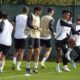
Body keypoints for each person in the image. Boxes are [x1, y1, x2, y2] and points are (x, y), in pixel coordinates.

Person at [25, 6, 42, 74]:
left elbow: (37, 26)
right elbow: (29, 25)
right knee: (31, 52)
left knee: (37, 52)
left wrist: (39, 29)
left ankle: (35, 68)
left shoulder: (38, 17)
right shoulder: (31, 15)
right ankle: (27, 67)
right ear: (36, 10)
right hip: (31, 36)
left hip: (37, 36)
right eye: (40, 11)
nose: (41, 12)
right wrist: (38, 28)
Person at [12, 6, 29, 71]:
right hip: (23, 36)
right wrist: (27, 34)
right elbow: (29, 26)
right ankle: (17, 66)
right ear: (27, 11)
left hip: (16, 36)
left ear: (22, 10)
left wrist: (15, 29)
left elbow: (12, 23)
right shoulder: (27, 17)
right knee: (22, 52)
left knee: (16, 50)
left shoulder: (17, 16)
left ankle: (14, 62)